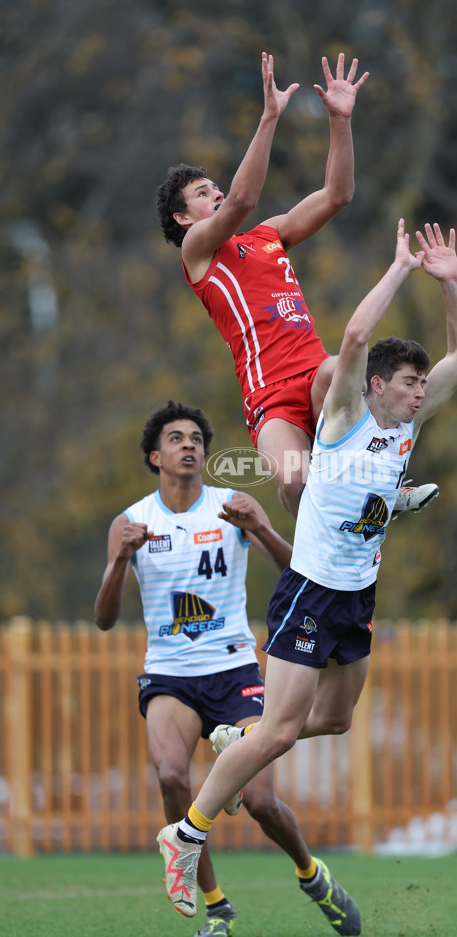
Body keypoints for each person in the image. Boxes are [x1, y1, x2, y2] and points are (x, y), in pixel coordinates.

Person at [156, 219, 457, 920]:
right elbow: (357, 338)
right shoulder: (341, 416)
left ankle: (237, 742)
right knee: (277, 731)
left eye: (424, 384)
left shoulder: (407, 427)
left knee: (332, 721)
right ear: (377, 386)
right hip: (309, 591)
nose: (422, 392)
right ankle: (185, 837)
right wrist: (398, 270)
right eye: (410, 383)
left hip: (356, 595)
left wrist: (451, 282)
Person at [94, 400, 361, 937]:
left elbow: (300, 572)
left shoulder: (229, 508)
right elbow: (104, 619)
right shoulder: (131, 522)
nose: (189, 445)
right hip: (169, 674)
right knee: (172, 776)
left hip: (236, 670)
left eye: (196, 438)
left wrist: (261, 527)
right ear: (155, 456)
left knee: (260, 800)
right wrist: (120, 559)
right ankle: (218, 910)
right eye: (176, 438)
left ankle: (312, 875)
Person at [156, 52, 436, 519]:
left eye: (213, 186)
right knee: (293, 478)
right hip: (268, 396)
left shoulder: (268, 235)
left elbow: (338, 194)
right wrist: (269, 117)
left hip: (314, 374)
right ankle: (313, 556)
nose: (217, 193)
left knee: (347, 371)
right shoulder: (198, 252)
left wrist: (340, 121)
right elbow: (243, 197)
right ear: (182, 218)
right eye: (202, 194)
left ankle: (386, 485)